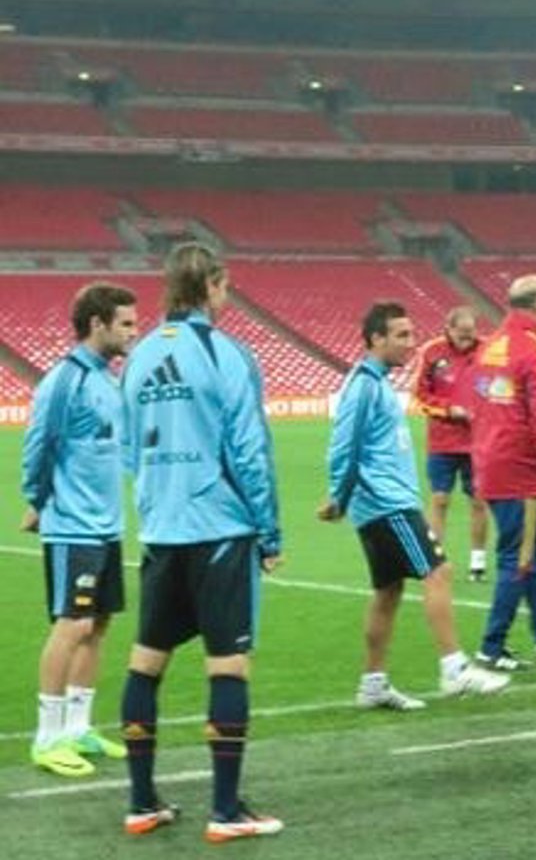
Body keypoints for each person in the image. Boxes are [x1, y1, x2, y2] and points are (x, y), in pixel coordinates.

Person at [119, 244, 283, 842]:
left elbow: (130, 452)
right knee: (229, 665)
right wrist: (269, 530)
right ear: (212, 285)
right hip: (219, 528)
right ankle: (225, 811)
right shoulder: (226, 352)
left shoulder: (138, 357)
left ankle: (141, 803)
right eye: (224, 285)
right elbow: (249, 448)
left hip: (161, 532)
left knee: (146, 662)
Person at [318, 302, 508, 708]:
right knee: (438, 571)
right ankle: (454, 669)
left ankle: (372, 683)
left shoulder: (376, 381)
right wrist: (339, 497)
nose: (411, 342)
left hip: (382, 503)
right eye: (401, 335)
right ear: (376, 339)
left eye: (411, 333)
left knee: (388, 591)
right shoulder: (364, 385)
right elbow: (343, 445)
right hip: (386, 503)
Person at [21, 283, 138, 778]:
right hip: (73, 526)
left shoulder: (108, 380)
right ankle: (47, 738)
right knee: (72, 624)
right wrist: (38, 502)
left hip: (107, 526)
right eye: (126, 323)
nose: (134, 332)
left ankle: (78, 727)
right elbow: (39, 446)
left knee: (99, 624)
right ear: (97, 324)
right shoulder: (64, 381)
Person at [471, 275, 536, 671]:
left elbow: (481, 404)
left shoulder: (491, 346)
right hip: (523, 471)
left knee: (534, 553)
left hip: (492, 463)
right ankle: (491, 647)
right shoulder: (534, 350)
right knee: (520, 558)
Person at [412, 306, 490, 582]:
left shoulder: (487, 351)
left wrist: (482, 407)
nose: (468, 339)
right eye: (462, 334)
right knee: (440, 500)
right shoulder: (432, 352)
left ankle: (478, 563)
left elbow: (499, 387)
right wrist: (448, 409)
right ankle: (434, 561)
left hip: (478, 441)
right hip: (442, 441)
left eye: (471, 333)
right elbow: (419, 394)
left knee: (479, 502)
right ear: (449, 329)